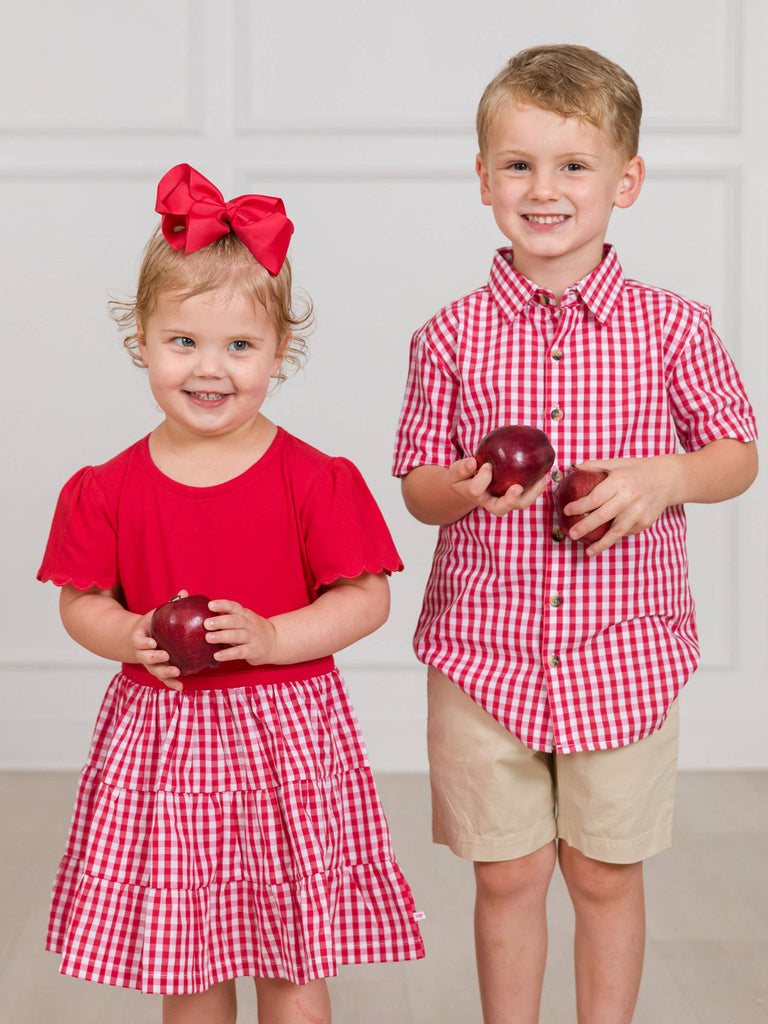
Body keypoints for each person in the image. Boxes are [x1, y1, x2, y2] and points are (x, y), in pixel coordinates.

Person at [392, 45, 757, 1024]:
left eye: (573, 165)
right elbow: (419, 490)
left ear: (625, 180)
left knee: (603, 871)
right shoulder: (450, 336)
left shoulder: (674, 328)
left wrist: (668, 474)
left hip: (621, 652)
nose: (542, 189)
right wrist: (464, 488)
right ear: (482, 179)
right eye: (517, 165)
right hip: (483, 657)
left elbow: (737, 454)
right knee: (507, 874)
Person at [38, 163, 424, 1024]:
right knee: (192, 961)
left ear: (280, 354)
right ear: (141, 338)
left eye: (240, 347)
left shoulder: (315, 480)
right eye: (184, 342)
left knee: (291, 960)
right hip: (166, 749)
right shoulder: (106, 488)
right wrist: (129, 633)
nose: (210, 369)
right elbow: (80, 601)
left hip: (284, 742)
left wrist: (278, 636)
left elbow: (365, 597)